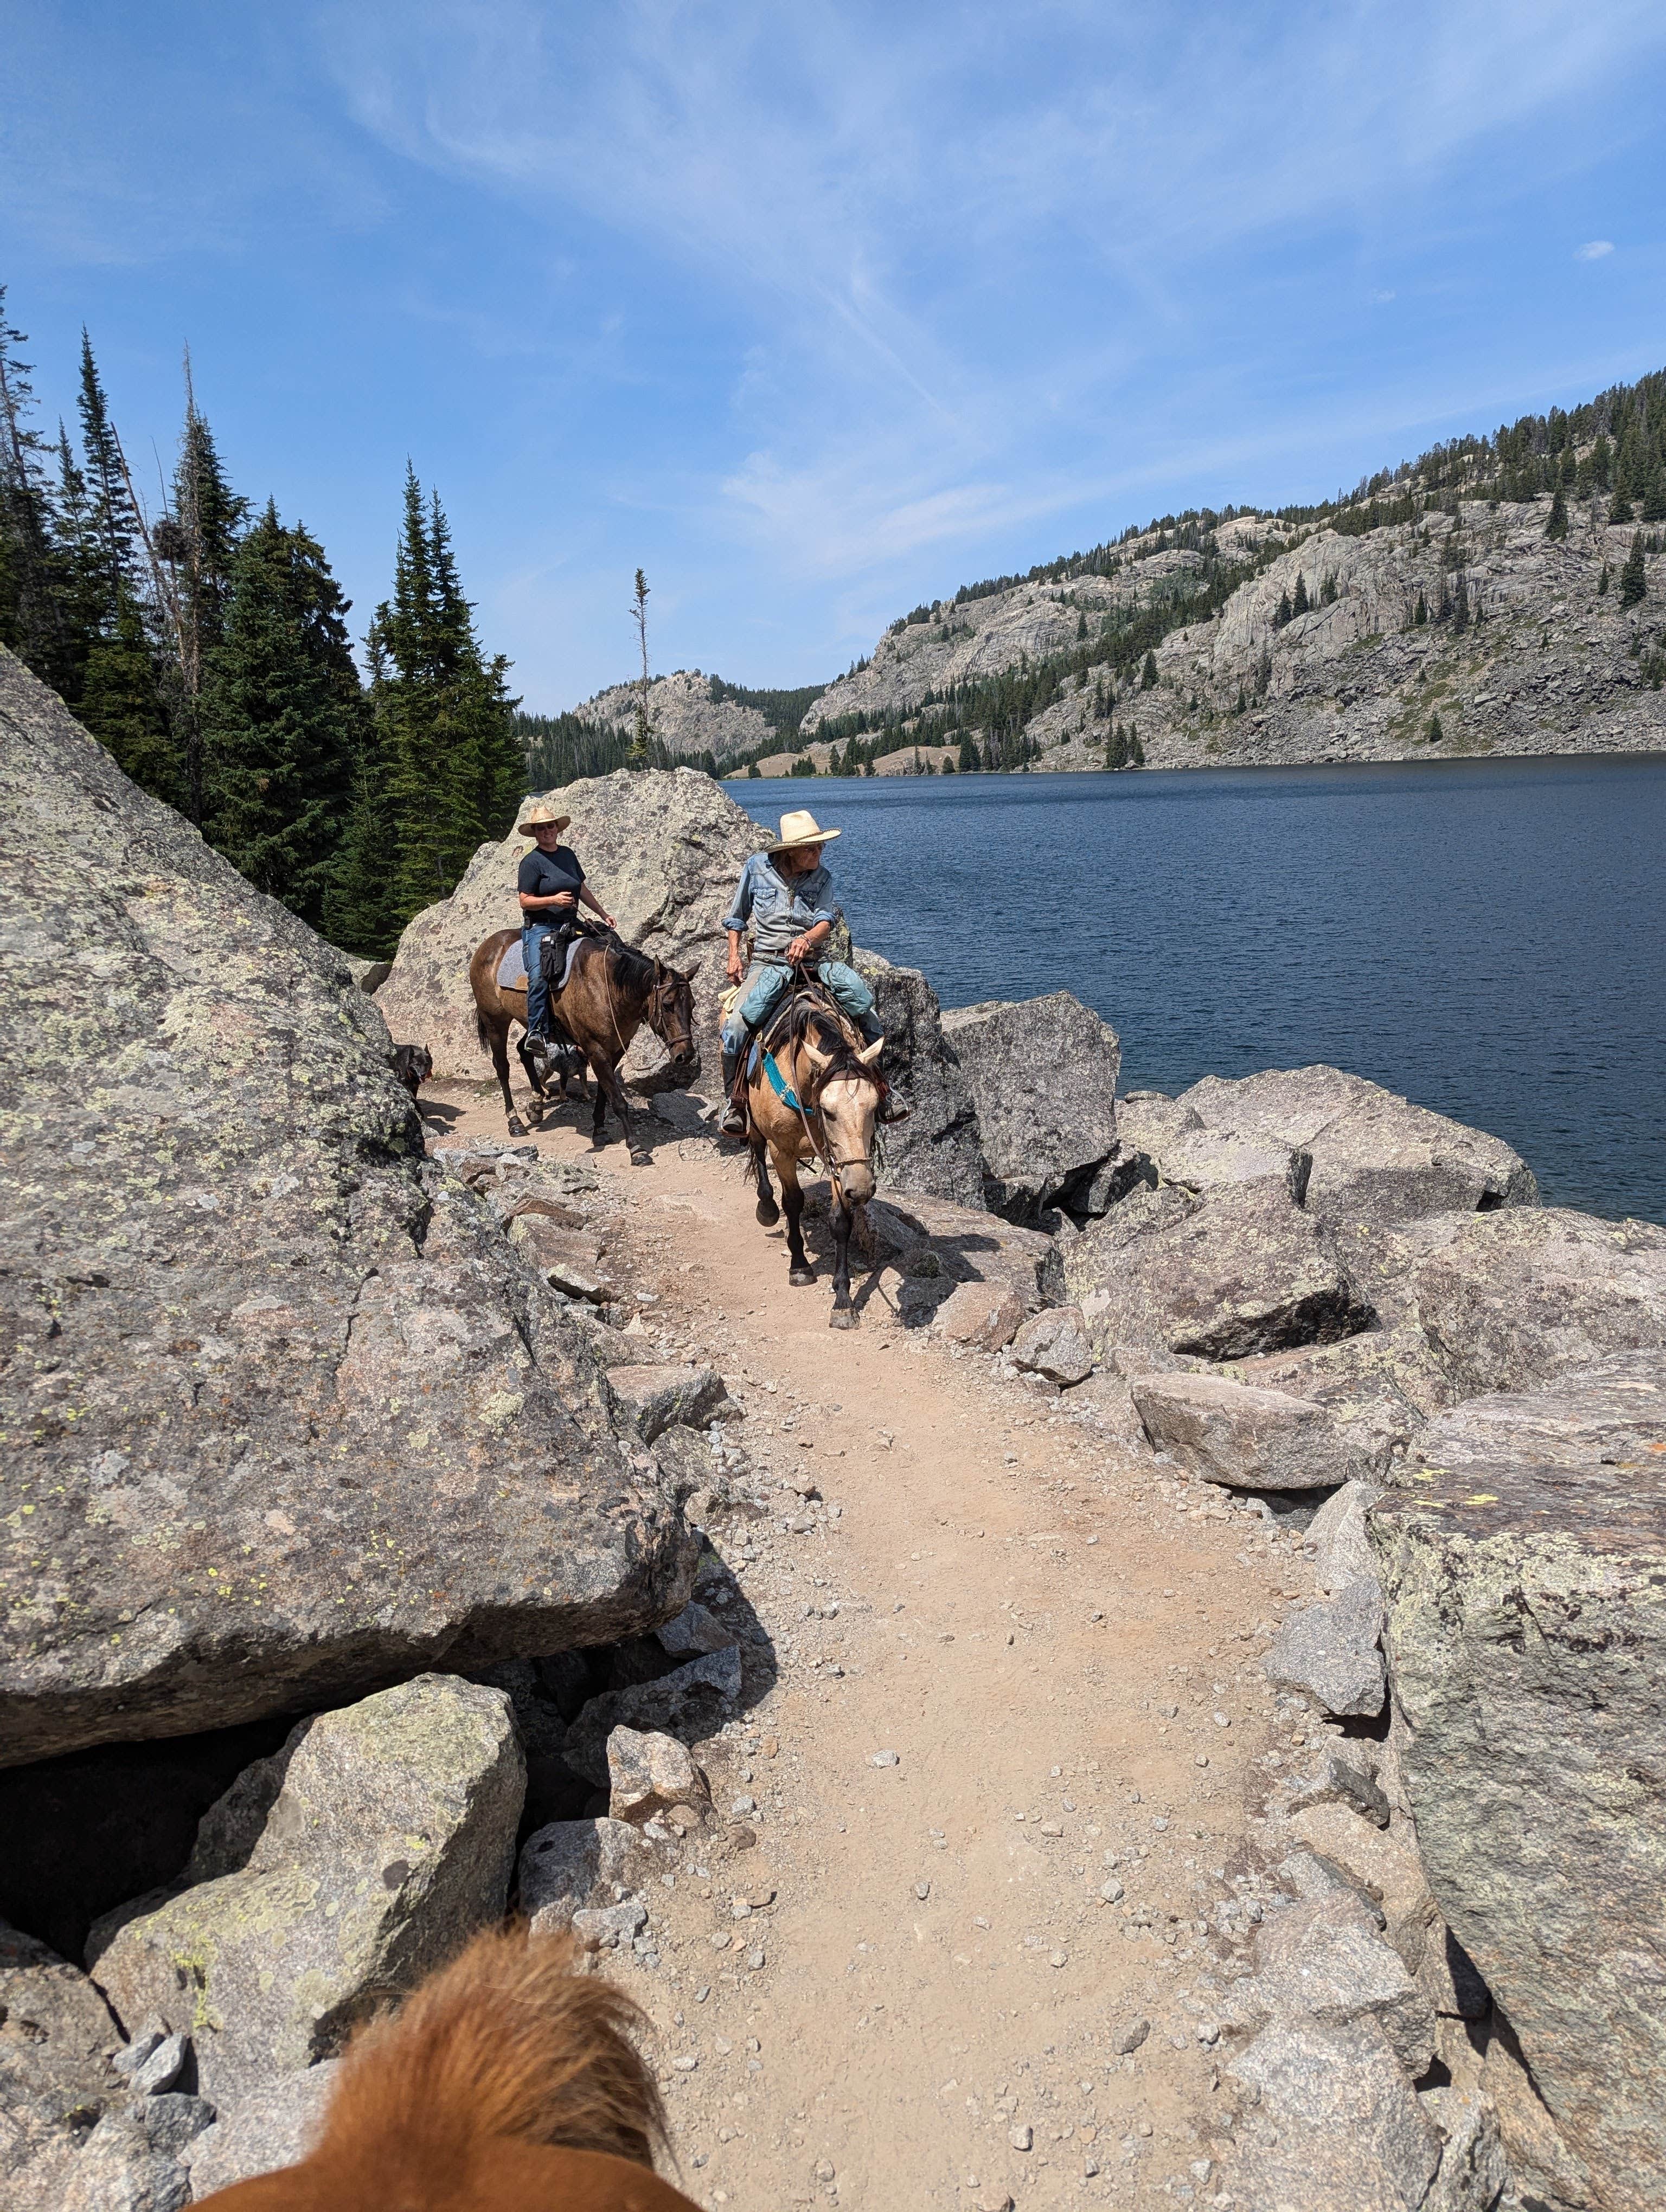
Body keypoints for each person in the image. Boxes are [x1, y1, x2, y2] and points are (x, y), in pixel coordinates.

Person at [718, 807, 908, 1135]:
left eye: (820, 846)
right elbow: (737, 918)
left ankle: (882, 1090)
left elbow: (825, 921)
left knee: (866, 1012)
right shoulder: (757, 869)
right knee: (736, 1025)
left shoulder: (822, 878)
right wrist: (734, 956)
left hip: (813, 963)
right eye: (811, 847)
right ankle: (735, 1103)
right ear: (790, 850)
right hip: (768, 963)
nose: (818, 852)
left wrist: (807, 939)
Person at [516, 802, 615, 1043]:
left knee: (609, 952)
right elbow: (524, 901)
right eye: (541, 829)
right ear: (536, 833)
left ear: (557, 828)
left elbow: (580, 887)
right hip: (541, 927)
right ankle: (537, 1031)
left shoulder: (568, 855)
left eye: (550, 826)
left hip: (570, 924)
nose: (547, 831)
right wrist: (554, 900)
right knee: (540, 975)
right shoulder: (531, 862)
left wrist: (602, 913)